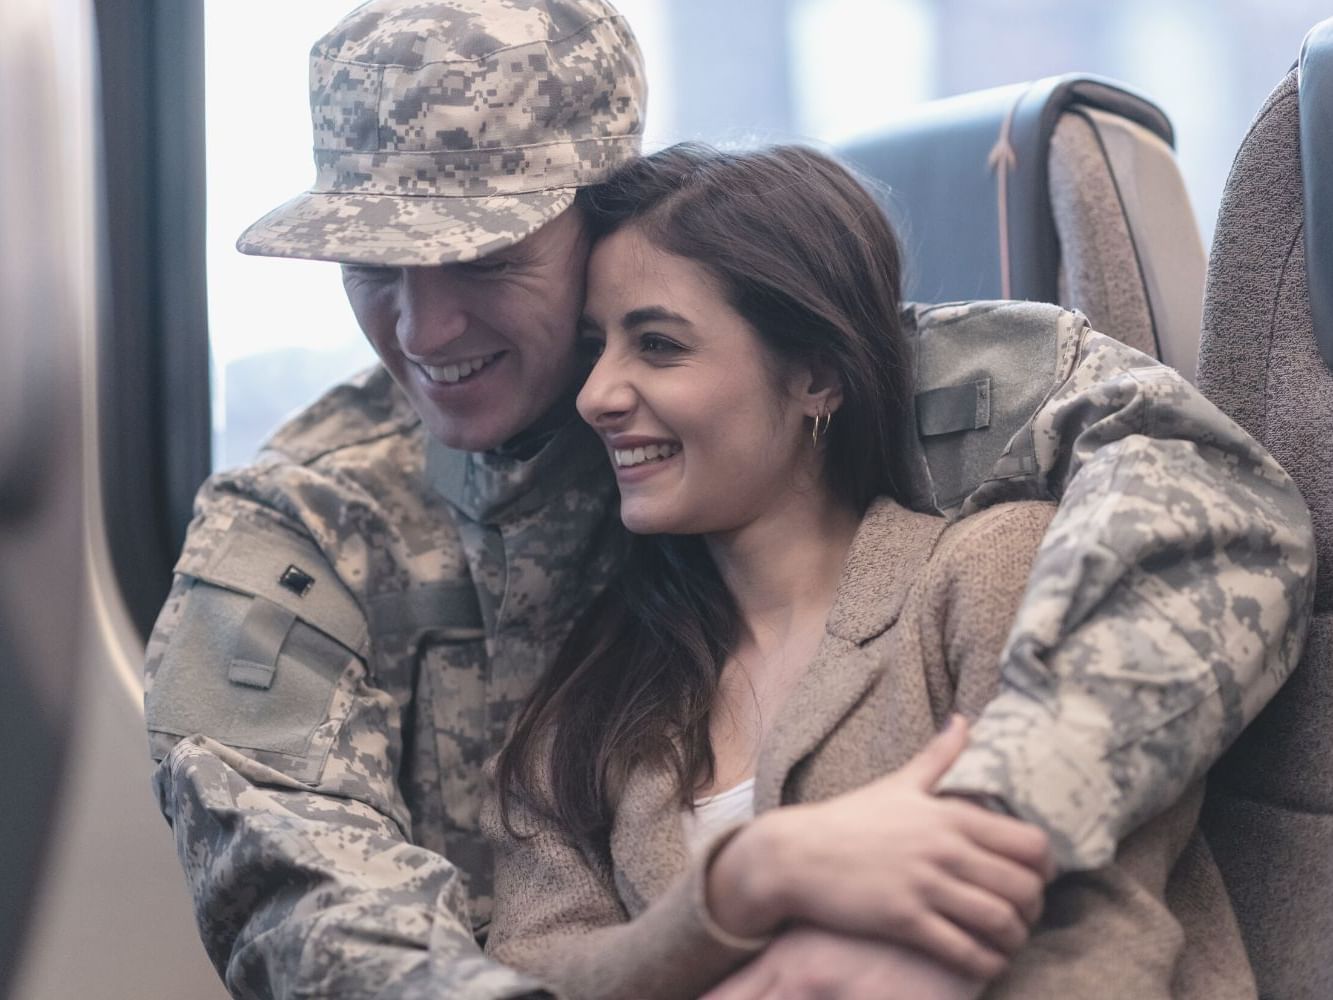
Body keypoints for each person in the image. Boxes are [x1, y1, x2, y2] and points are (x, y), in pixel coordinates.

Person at [142, 1, 1314, 998]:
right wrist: (740, 897)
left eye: (487, 259)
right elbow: (295, 891)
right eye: (373, 270)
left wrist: (987, 824)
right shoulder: (297, 530)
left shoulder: (856, 381)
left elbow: (1214, 511)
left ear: (603, 217)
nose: (425, 326)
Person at [482, 142, 1256, 1000]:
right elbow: (527, 971)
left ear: (816, 375)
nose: (597, 394)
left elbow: (1092, 945)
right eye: (596, 349)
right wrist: (740, 884)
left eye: (658, 345)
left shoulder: (992, 576)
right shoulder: (594, 688)